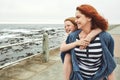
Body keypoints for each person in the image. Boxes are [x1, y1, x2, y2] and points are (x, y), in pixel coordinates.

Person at [61, 4, 116, 80]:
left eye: (78, 17)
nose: (75, 20)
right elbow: (64, 52)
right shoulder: (72, 36)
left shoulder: (106, 37)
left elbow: (109, 63)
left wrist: (89, 37)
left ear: (89, 17)